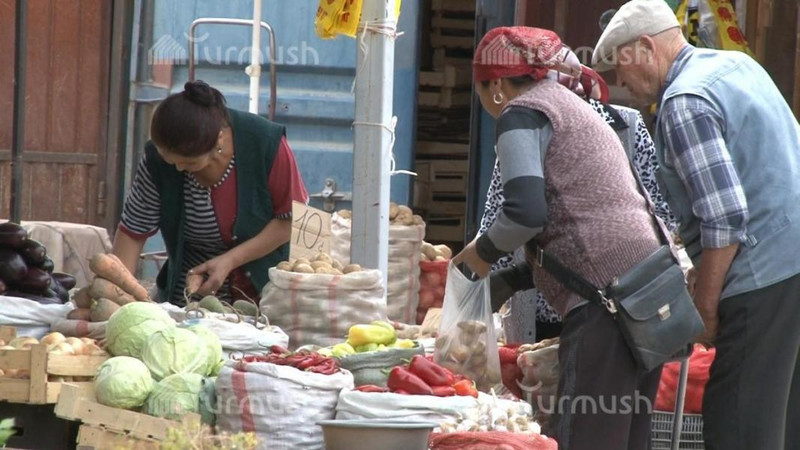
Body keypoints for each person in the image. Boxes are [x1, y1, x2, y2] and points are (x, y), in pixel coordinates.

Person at [592, 1, 800, 448]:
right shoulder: (736, 65)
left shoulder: (685, 100)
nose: (621, 85)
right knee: (781, 420)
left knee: (739, 425)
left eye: (620, 70)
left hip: (763, 274)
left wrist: (704, 309)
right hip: (792, 263)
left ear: (645, 47)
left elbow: (724, 218)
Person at [453, 26, 665, 450]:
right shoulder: (568, 104)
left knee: (582, 438)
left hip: (608, 303)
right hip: (648, 292)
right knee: (623, 438)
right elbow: (580, 221)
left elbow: (526, 213)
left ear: (494, 84)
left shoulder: (522, 113)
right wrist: (510, 279)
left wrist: (478, 257)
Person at [482, 95, 677, 343]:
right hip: (556, 311)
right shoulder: (525, 130)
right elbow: (498, 214)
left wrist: (493, 272)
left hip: (610, 306)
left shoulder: (625, 125)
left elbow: (660, 214)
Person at [113, 80, 308, 305]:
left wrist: (230, 260)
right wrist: (117, 290)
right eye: (169, 160)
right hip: (188, 296)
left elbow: (290, 221)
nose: (177, 168)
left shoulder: (264, 143)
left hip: (264, 296)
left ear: (219, 140)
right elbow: (133, 230)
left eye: (189, 162)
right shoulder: (157, 160)